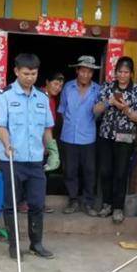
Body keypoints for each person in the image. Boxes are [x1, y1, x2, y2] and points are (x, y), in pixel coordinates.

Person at [0, 53, 60, 260]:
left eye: (34, 73)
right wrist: (7, 144)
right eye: (26, 73)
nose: (30, 77)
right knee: (11, 204)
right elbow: (0, 126)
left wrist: (53, 150)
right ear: (16, 72)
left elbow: (47, 129)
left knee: (37, 203)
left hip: (35, 161)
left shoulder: (42, 97)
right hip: (12, 159)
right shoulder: (5, 95)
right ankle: (14, 246)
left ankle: (36, 244)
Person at [93, 57, 137, 223]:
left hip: (125, 138)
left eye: (126, 72)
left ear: (131, 73)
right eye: (120, 71)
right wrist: (110, 102)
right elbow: (95, 110)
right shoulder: (107, 87)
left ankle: (118, 208)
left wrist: (126, 109)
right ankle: (107, 204)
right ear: (115, 72)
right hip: (106, 136)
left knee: (121, 173)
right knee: (105, 171)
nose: (122, 75)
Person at [58, 55, 101, 216]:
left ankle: (88, 202)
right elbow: (62, 111)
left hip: (88, 137)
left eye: (89, 72)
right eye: (83, 71)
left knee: (89, 170)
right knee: (70, 170)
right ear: (77, 71)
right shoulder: (67, 88)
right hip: (68, 137)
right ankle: (73, 200)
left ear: (92, 73)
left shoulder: (98, 90)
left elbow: (99, 113)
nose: (86, 75)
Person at [18, 72, 65, 215]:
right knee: (31, 174)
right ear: (47, 82)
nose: (58, 88)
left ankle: (37, 203)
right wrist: (44, 144)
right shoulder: (38, 96)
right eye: (55, 84)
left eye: (61, 86)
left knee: (41, 175)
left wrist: (49, 146)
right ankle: (25, 203)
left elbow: (49, 125)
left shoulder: (51, 99)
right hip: (34, 143)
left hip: (44, 142)